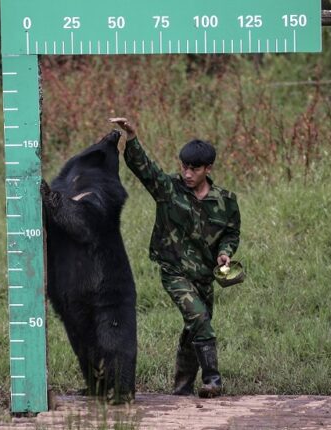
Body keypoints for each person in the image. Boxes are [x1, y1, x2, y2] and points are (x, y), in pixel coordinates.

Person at [109, 118, 241, 398]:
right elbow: (144, 169)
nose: (187, 172)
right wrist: (131, 136)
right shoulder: (168, 189)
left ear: (208, 169)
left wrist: (225, 253)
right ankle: (213, 379)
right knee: (199, 318)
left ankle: (181, 389)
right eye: (184, 166)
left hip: (205, 275)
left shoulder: (225, 200)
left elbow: (231, 233)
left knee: (194, 328)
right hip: (175, 272)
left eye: (194, 168)